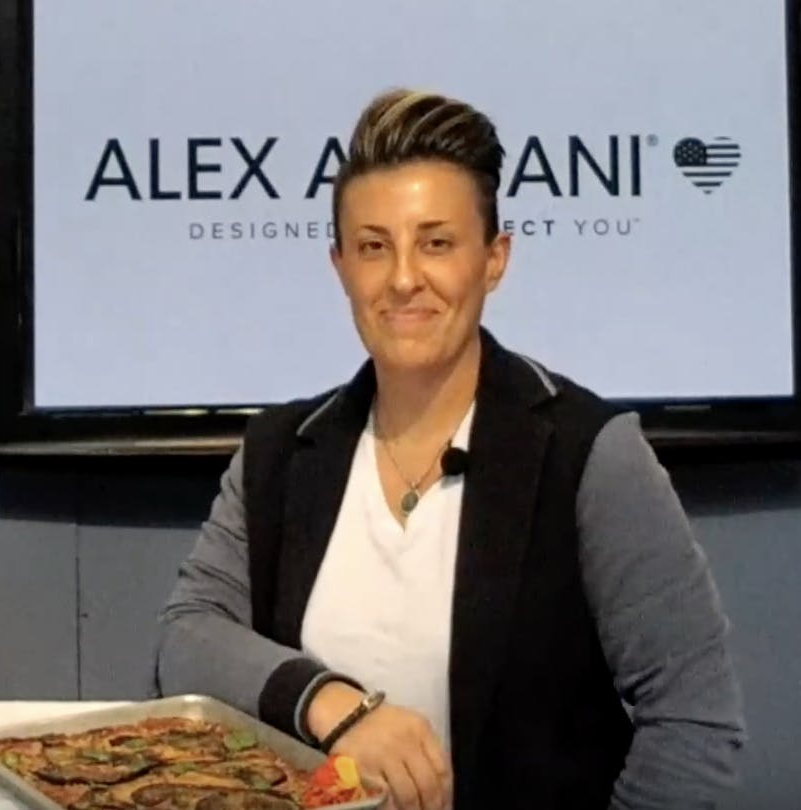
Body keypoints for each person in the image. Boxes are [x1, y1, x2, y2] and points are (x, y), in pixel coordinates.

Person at [156, 89, 745, 810]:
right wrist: (332, 705)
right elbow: (188, 637)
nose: (404, 278)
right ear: (340, 266)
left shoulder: (590, 455)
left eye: (436, 243)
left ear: (495, 259)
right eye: (374, 247)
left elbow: (695, 723)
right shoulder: (280, 453)